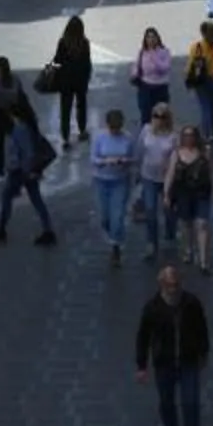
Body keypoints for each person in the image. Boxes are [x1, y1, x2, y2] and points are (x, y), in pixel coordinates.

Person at [134, 262, 212, 426]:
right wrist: (141, 365)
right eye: (169, 285)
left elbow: (202, 328)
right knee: (167, 404)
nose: (173, 289)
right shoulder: (152, 309)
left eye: (176, 285)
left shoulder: (191, 303)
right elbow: (143, 337)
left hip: (188, 361)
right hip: (165, 363)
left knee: (191, 404)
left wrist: (203, 352)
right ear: (161, 285)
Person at [0, 103, 57, 245]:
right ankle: (48, 230)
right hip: (26, 170)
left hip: (20, 170)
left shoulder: (20, 129)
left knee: (7, 197)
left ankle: (1, 228)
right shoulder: (29, 126)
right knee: (36, 198)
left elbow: (27, 152)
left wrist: (29, 171)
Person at [165, 124, 213, 273]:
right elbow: (170, 173)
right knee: (186, 224)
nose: (189, 138)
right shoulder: (176, 153)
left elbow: (211, 172)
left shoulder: (204, 152)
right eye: (186, 136)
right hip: (183, 193)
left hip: (201, 192)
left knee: (202, 224)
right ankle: (188, 248)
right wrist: (167, 193)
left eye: (191, 135)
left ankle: (203, 261)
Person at [90, 108, 138, 265]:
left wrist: (125, 160)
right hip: (102, 180)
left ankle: (115, 246)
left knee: (117, 215)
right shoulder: (100, 137)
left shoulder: (128, 138)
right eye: (113, 127)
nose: (115, 130)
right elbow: (94, 158)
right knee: (105, 217)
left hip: (120, 180)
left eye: (118, 127)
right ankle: (113, 235)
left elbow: (134, 157)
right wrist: (106, 161)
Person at [134, 102, 180, 259]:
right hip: (149, 176)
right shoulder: (146, 131)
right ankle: (151, 242)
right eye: (156, 116)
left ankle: (170, 233)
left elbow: (177, 157)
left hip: (167, 178)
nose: (159, 119)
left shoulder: (173, 136)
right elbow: (139, 151)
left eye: (163, 116)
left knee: (169, 210)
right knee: (150, 210)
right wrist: (137, 172)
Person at [0, 56, 31, 181]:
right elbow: (19, 95)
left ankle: (1, 171)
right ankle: (23, 166)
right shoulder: (15, 80)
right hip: (14, 114)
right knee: (19, 142)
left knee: (0, 145)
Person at [49, 16, 92, 146]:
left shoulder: (63, 42)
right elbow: (87, 63)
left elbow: (57, 60)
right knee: (81, 106)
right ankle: (82, 130)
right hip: (80, 81)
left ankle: (65, 137)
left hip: (65, 81)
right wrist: (87, 77)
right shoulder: (84, 42)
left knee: (65, 109)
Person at [184, 21, 213, 144]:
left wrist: (188, 79)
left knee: (205, 107)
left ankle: (206, 132)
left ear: (202, 33)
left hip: (200, 81)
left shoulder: (197, 47)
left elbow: (190, 65)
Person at [132, 26, 173, 123]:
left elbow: (164, 68)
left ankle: (161, 134)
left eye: (153, 37)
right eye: (148, 37)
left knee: (162, 115)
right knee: (145, 115)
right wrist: (134, 73)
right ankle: (146, 135)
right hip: (145, 87)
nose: (151, 40)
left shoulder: (164, 52)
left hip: (160, 87)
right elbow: (137, 66)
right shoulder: (142, 52)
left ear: (158, 39)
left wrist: (154, 56)